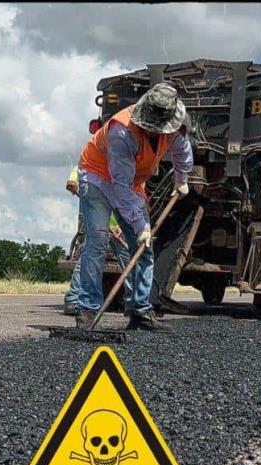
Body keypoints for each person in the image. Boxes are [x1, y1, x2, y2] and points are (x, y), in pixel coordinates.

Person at [74, 82, 193, 331]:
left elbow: (183, 152)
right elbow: (120, 185)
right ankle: (87, 309)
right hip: (97, 178)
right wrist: (140, 224)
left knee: (144, 247)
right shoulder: (121, 131)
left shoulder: (175, 125)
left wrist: (181, 179)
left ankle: (140, 311)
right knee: (97, 240)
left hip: (132, 183)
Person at [63, 168, 133, 315]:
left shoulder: (126, 164)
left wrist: (120, 225)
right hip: (98, 219)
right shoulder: (97, 156)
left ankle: (133, 304)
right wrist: (73, 180)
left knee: (128, 261)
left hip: (120, 220)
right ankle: (73, 300)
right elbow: (80, 169)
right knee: (89, 258)